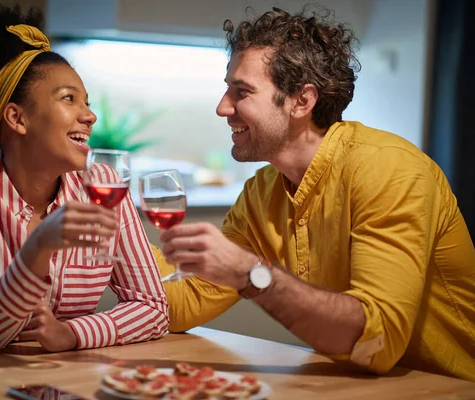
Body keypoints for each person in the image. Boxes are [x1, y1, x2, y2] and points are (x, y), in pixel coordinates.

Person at [159, 6, 475, 381]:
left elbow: (377, 341)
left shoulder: (388, 170)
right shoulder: (262, 192)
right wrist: (107, 236)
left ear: (302, 101)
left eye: (240, 91)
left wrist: (250, 275)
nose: (222, 107)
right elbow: (186, 301)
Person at [0, 4, 168, 354]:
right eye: (69, 99)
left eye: (86, 102)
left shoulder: (102, 185)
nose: (90, 116)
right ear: (17, 118)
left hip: (50, 384)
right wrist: (39, 245)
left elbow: (153, 307)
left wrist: (73, 335)